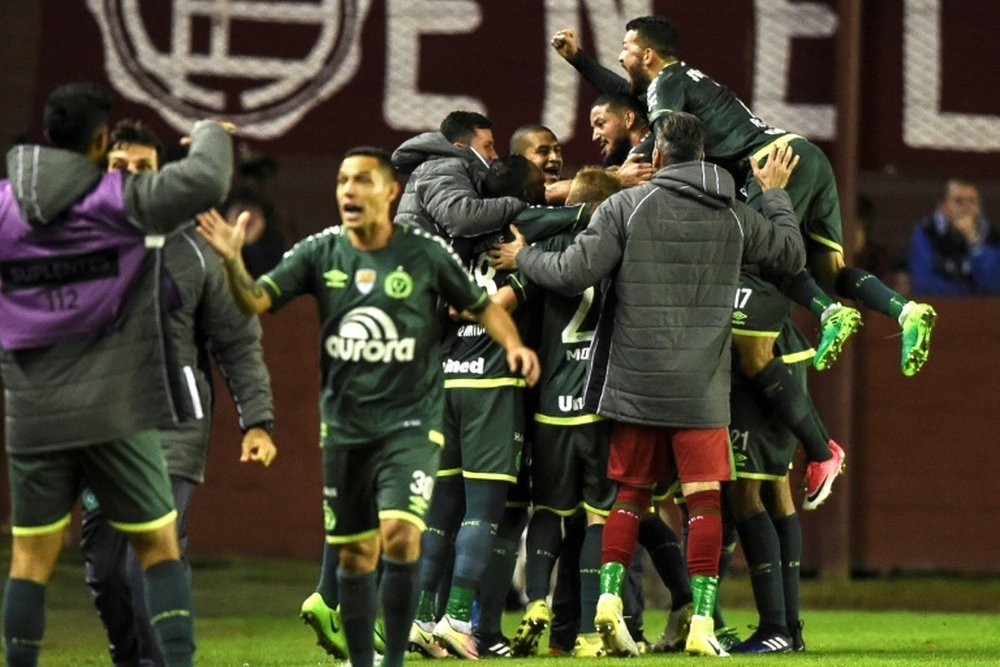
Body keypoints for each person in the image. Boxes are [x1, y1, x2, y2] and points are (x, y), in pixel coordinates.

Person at [196, 147, 540, 667]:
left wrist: (513, 345)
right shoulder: (319, 252)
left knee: (400, 536)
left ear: (389, 191)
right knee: (357, 552)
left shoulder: (426, 254)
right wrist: (232, 261)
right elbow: (257, 301)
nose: (348, 191)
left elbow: (480, 305)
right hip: (346, 428)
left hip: (411, 425)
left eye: (360, 180)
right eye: (341, 181)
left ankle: (396, 656)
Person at [492, 112, 805, 657]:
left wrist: (525, 257)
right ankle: (703, 620)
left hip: (633, 386)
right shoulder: (734, 215)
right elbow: (790, 256)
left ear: (657, 158)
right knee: (703, 502)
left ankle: (609, 601)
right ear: (703, 158)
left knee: (629, 497)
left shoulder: (624, 207)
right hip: (702, 390)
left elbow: (571, 273)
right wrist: (775, 195)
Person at [552, 16, 937, 378]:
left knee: (763, 255)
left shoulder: (666, 82)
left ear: (648, 55)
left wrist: (625, 170)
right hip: (806, 155)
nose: (620, 57)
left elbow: (665, 129)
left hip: (771, 165)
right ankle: (906, 311)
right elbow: (625, 93)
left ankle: (830, 313)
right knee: (832, 271)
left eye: (625, 48)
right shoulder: (685, 80)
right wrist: (578, 60)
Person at [0, 82, 233, 667]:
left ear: (49, 134)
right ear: (102, 141)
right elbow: (207, 181)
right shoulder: (118, 199)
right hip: (114, 408)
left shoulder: (4, 204)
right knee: (157, 547)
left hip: (30, 411)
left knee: (30, 560)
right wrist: (207, 132)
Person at [79, 119, 277, 666]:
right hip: (101, 427)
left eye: (144, 168)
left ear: (163, 176)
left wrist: (256, 419)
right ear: (102, 168)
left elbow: (236, 340)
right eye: (121, 166)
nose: (131, 177)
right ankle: (129, 657)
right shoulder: (75, 236)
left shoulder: (196, 249)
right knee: (102, 567)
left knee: (152, 560)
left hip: (174, 424)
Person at [408, 155, 545, 660]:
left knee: (441, 510)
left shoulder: (457, 240)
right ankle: (457, 619)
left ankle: (421, 619)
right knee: (485, 511)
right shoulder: (522, 247)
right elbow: (501, 303)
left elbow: (446, 304)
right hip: (491, 383)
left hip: (446, 381)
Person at [392, 111, 526, 240]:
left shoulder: (449, 167)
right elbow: (460, 219)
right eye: (487, 146)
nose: (494, 155)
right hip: (417, 260)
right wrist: (522, 202)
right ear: (459, 146)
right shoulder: (442, 167)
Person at [909, 178, 1000, 295]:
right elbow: (923, 284)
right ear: (942, 206)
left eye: (972, 201)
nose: (966, 207)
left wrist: (974, 242)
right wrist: (970, 293)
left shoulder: (991, 234)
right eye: (958, 201)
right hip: (940, 308)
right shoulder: (927, 231)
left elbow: (994, 285)